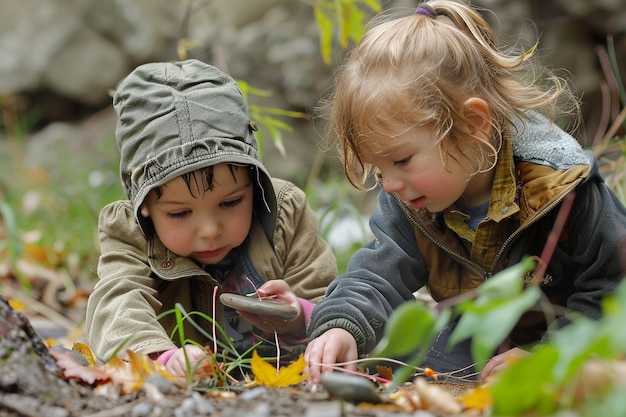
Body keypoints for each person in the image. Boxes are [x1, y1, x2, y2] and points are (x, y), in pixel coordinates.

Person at [304, 0, 626, 384]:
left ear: (473, 123)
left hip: (570, 347)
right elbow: (378, 276)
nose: (389, 184)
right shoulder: (410, 200)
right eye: (379, 168)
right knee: (397, 354)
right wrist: (341, 325)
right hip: (475, 347)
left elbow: (613, 291)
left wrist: (550, 358)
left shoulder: (562, 186)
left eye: (402, 160)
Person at [85, 59, 338, 377]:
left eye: (230, 202)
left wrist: (299, 314)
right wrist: (160, 358)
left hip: (282, 378)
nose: (209, 230)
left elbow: (330, 301)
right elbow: (117, 304)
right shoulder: (129, 233)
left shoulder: (284, 213)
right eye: (180, 213)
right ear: (144, 204)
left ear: (253, 183)